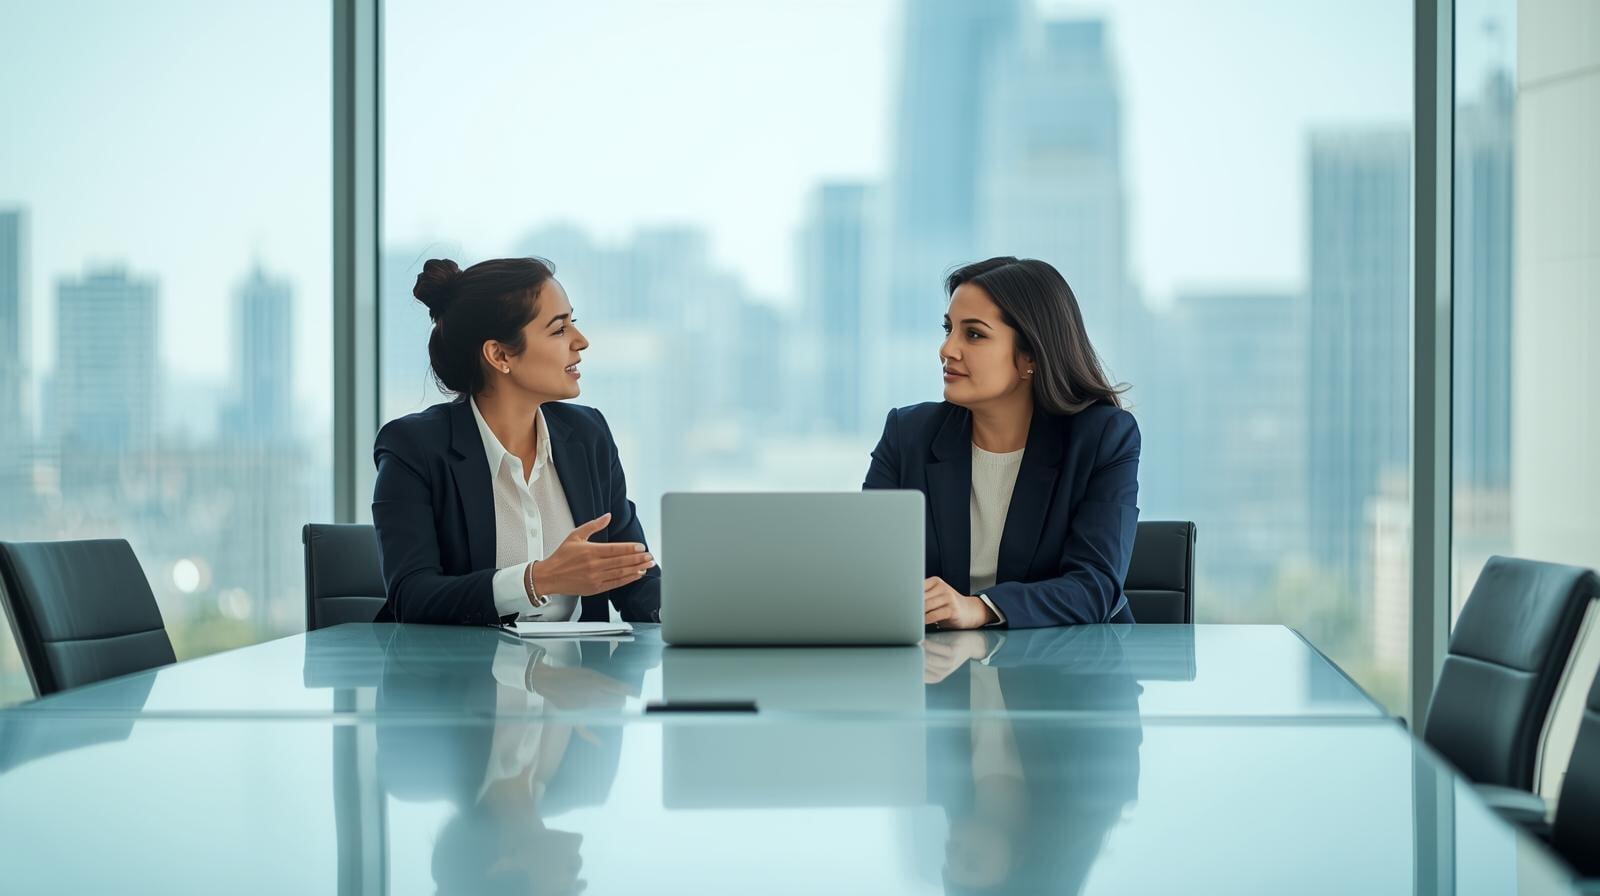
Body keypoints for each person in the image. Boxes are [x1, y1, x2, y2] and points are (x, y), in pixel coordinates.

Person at [372, 256, 659, 626]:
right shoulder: (414, 447)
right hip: (462, 679)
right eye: (558, 330)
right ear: (500, 354)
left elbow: (634, 577)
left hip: (581, 679)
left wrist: (692, 614)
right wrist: (538, 579)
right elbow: (412, 597)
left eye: (574, 323)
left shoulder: (588, 436)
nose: (581, 342)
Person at [864, 256, 1140, 629]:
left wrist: (979, 608)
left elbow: (1095, 587)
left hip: (1069, 673)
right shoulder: (907, 434)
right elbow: (867, 572)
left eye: (973, 334)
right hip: (939, 672)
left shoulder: (1102, 437)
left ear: (1030, 357)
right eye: (948, 329)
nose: (947, 349)